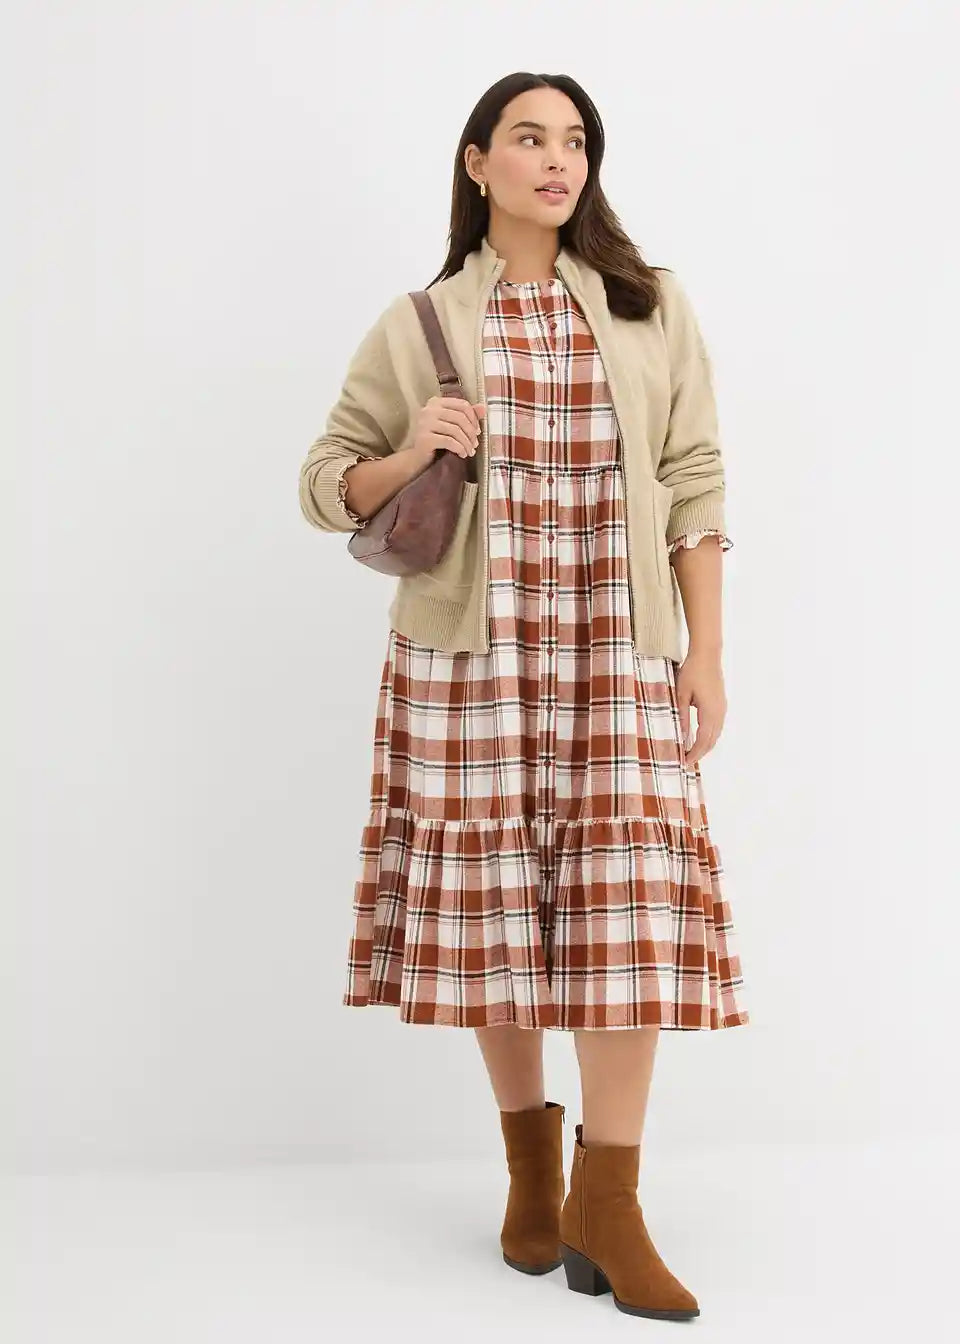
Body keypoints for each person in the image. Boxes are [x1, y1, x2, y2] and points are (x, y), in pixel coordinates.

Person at [299, 71, 750, 1322]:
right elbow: (325, 479)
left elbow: (697, 477)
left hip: (616, 651)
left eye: (577, 142)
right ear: (477, 162)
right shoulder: (421, 322)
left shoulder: (649, 304)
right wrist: (415, 448)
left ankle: (613, 1202)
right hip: (471, 661)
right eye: (531, 139)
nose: (558, 161)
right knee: (493, 915)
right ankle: (531, 1174)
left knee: (623, 917)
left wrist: (705, 654)